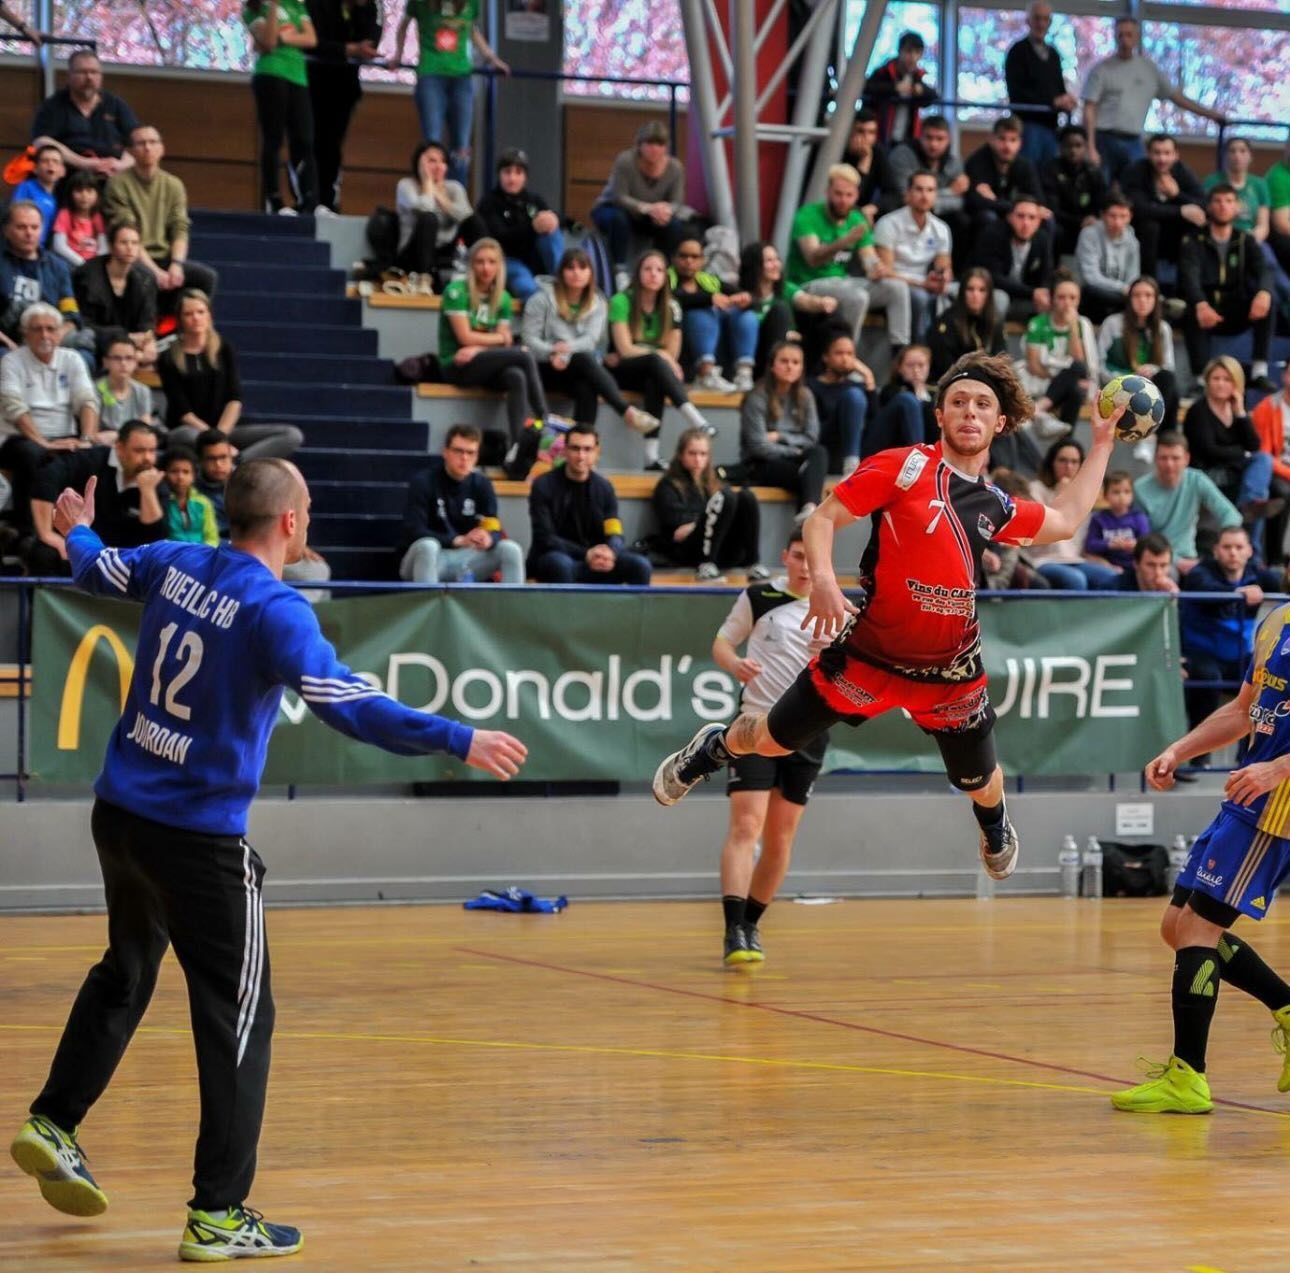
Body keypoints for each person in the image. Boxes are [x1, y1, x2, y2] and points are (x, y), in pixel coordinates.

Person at [7, 457, 526, 1260]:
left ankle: (53, 1121)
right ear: (289, 520)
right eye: (306, 505)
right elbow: (345, 703)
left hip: (121, 817)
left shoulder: (176, 561)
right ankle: (218, 1211)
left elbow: (96, 566)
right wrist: (457, 736)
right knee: (240, 1017)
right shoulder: (274, 608)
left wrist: (76, 527)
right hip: (198, 840)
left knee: (126, 970)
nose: (309, 516)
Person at [653, 351, 1123, 890]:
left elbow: (1064, 520)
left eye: (982, 405)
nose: (969, 412)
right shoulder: (905, 467)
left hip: (950, 675)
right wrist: (824, 581)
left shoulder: (994, 503)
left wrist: (1102, 443)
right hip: (868, 657)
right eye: (958, 402)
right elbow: (823, 519)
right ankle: (713, 748)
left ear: (1000, 422)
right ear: (940, 415)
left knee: (978, 781)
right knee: (771, 742)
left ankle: (994, 823)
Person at [1111, 600, 1290, 1116]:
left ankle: (1187, 1077)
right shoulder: (1276, 621)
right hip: (1246, 799)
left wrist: (1278, 768)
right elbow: (1242, 709)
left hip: (1276, 810)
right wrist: (1179, 750)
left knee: (1197, 930)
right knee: (1177, 926)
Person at [711, 529, 824, 963]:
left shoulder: (834, 606)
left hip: (808, 732)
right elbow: (722, 642)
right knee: (746, 825)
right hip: (754, 727)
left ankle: (751, 924)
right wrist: (734, 662)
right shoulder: (760, 597)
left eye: (812, 558)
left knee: (780, 837)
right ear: (786, 556)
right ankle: (732, 931)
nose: (805, 567)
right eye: (798, 556)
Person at [438, 238, 550, 480]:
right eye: (479, 262)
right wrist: (491, 341)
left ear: (500, 266)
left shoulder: (503, 298)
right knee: (523, 355)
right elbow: (465, 337)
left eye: (491, 262)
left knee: (516, 376)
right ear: (471, 265)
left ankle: (517, 449)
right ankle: (544, 417)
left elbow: (501, 341)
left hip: (482, 361)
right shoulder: (456, 291)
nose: (486, 268)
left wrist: (478, 348)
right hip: (456, 365)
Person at [521, 247, 656, 435]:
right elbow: (529, 340)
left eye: (582, 268)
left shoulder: (597, 302)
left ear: (591, 273)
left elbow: (591, 340)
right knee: (583, 359)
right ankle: (625, 410)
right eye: (571, 268)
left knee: (587, 385)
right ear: (561, 272)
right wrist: (552, 351)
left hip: (574, 367)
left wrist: (565, 352)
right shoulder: (541, 300)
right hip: (543, 367)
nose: (577, 273)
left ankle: (581, 442)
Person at [159, 290, 303, 460]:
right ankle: (220, 457)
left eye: (200, 312)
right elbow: (182, 411)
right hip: (193, 430)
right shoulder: (169, 357)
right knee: (185, 436)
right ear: (180, 319)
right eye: (188, 314)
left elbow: (234, 398)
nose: (196, 318)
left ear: (209, 315)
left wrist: (221, 436)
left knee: (291, 435)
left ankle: (236, 462)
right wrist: (214, 439)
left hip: (225, 429)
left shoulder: (223, 349)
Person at [1082, 16, 1225, 182]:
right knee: (1101, 183)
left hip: (1134, 139)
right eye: (1120, 35)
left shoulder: (1149, 69)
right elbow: (1089, 108)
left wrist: (1211, 115)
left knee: (1139, 183)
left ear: (1137, 37)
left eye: (1129, 35)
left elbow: (1177, 97)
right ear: (1114, 36)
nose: (1124, 40)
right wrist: (1090, 146)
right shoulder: (1101, 70)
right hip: (1104, 138)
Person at [606, 249, 712, 472]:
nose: (653, 274)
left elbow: (672, 352)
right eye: (648, 269)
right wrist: (660, 355)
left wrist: (664, 357)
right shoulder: (621, 301)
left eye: (659, 270)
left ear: (666, 276)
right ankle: (694, 417)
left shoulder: (672, 305)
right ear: (638, 273)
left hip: (653, 371)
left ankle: (650, 457)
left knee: (656, 380)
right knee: (656, 362)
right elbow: (625, 349)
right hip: (621, 369)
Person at [26, 419, 164, 574]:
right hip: (80, 542)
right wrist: (46, 533)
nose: (148, 458)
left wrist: (148, 492)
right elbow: (47, 478)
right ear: (119, 448)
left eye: (152, 451)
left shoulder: (154, 478)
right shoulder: (90, 460)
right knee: (44, 554)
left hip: (122, 554)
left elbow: (155, 538)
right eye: (139, 451)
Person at [1180, 524, 1282, 734]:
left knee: (1270, 679)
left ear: (1249, 550)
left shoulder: (1258, 574)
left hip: (1239, 656)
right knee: (1209, 680)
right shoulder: (1200, 573)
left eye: (1239, 547)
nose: (1233, 553)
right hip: (1201, 654)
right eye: (1227, 547)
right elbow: (1205, 589)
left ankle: (1250, 748)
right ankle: (1201, 748)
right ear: (1216, 550)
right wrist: (1237, 593)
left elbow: (1281, 584)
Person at [103, 125, 219, 310]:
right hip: (131, 257)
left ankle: (186, 324)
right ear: (131, 151)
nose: (148, 148)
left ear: (162, 148)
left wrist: (177, 264)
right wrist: (155, 272)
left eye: (153, 142)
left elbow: (179, 227)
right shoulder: (117, 184)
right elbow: (126, 231)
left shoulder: (174, 184)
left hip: (165, 256)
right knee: (145, 277)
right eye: (141, 143)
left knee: (206, 277)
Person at [396, 0, 508, 188]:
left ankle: (456, 194)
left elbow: (472, 30)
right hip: (431, 74)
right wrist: (398, 55)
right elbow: (403, 26)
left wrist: (491, 58)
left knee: (461, 144)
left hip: (461, 77)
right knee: (432, 142)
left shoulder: (471, 3)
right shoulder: (420, 3)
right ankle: (431, 193)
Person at [397, 423, 524, 584]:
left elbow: (495, 528)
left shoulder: (483, 485)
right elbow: (414, 531)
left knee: (511, 549)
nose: (464, 458)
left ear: (477, 457)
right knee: (428, 546)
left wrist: (489, 538)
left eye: (470, 453)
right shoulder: (424, 482)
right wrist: (457, 540)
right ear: (445, 452)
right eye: (458, 451)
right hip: (429, 559)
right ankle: (429, 600)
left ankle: (512, 601)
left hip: (467, 558)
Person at [527, 424, 651, 584]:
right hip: (558, 556)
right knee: (559, 564)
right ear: (565, 451)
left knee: (640, 565)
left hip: (597, 559)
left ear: (597, 452)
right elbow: (545, 538)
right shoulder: (543, 485)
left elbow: (614, 530)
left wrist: (611, 551)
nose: (581, 456)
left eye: (587, 449)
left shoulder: (605, 487)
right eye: (575, 449)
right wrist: (586, 554)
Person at [1180, 184, 1274, 390]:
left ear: (1237, 207)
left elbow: (1264, 270)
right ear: (1209, 206)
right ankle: (1199, 379)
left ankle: (1259, 371)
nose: (1223, 206)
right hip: (1207, 309)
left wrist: (1264, 292)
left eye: (1229, 201)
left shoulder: (1245, 240)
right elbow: (1189, 276)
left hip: (1237, 309)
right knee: (1191, 307)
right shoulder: (1194, 240)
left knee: (1268, 300)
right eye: (1218, 201)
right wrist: (1201, 303)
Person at [1183, 357, 1280, 557]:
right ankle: (1252, 549)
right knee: (1258, 494)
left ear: (1236, 383)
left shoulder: (1236, 409)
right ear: (1207, 381)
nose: (1220, 384)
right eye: (1216, 378)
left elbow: (1254, 445)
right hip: (1208, 475)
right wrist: (1241, 453)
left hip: (1233, 472)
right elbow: (1209, 450)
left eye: (1227, 379)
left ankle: (1249, 506)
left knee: (1263, 460)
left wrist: (1241, 414)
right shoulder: (1198, 411)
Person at [786, 164, 882, 348]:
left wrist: (876, 268)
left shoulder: (856, 219)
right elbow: (813, 258)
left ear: (856, 195)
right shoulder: (807, 215)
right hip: (809, 283)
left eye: (849, 195)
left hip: (842, 281)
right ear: (828, 192)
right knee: (858, 297)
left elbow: (869, 259)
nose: (843, 200)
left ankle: (900, 349)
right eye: (838, 194)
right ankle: (846, 352)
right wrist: (845, 241)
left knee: (895, 289)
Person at [649, 427, 763, 582]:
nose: (698, 459)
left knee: (746, 496)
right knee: (726, 498)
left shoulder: (715, 483)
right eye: (692, 453)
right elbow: (678, 531)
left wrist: (710, 519)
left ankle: (753, 564)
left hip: (722, 549)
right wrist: (710, 519)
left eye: (703, 454)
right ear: (681, 454)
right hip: (690, 552)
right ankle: (706, 565)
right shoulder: (668, 485)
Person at [305, 0, 382, 212]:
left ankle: (327, 201)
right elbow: (312, 41)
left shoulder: (369, 6)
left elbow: (369, 44)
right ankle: (308, 198)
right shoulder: (318, 5)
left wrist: (360, 10)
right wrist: (349, 49)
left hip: (345, 87)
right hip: (314, 83)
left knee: (332, 146)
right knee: (310, 143)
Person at [244, 0, 319, 215]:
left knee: (304, 139)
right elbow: (268, 42)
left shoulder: (297, 6)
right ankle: (274, 199)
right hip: (270, 74)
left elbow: (311, 39)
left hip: (298, 77)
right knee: (274, 139)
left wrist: (284, 37)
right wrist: (274, 8)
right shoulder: (254, 8)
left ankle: (309, 201)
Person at [591, 121, 697, 271]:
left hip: (654, 216)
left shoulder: (675, 167)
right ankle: (618, 269)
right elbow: (619, 196)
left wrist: (665, 210)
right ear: (639, 144)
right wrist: (646, 208)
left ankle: (663, 268)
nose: (654, 149)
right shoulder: (626, 161)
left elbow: (677, 202)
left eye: (660, 144)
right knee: (618, 219)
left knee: (675, 225)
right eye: (649, 143)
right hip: (616, 209)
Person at [1133, 430, 1242, 575]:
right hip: (1157, 561)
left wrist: (1224, 546)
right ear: (1155, 459)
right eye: (1164, 458)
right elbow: (1143, 538)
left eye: (1175, 458)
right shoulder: (1140, 489)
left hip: (1190, 556)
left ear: (1186, 459)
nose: (1169, 464)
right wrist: (1176, 561)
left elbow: (1231, 515)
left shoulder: (1196, 480)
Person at [739, 341, 827, 517]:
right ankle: (810, 516)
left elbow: (811, 438)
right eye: (784, 361)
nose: (790, 367)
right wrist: (796, 450)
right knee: (808, 477)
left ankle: (809, 510)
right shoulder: (757, 397)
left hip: (794, 458)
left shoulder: (806, 396)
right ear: (772, 365)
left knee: (819, 452)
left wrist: (780, 436)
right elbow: (759, 447)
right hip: (761, 464)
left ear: (801, 368)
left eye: (795, 362)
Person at [736, 240, 839, 384]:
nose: (776, 265)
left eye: (777, 259)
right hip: (758, 355)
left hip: (789, 352)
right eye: (769, 261)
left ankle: (825, 377)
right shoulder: (741, 295)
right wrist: (783, 332)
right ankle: (770, 380)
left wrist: (822, 303)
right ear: (755, 265)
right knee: (780, 311)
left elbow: (804, 300)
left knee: (829, 319)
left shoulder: (785, 289)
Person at [0, 201, 90, 362]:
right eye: (21, 227)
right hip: (7, 340)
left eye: (34, 227)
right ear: (6, 231)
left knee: (85, 355)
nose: (29, 233)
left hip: (50, 338)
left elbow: (71, 315)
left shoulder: (58, 267)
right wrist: (10, 345)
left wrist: (53, 341)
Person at [872, 169, 953, 346]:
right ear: (907, 194)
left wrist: (942, 278)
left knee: (959, 294)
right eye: (919, 189)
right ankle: (917, 350)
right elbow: (885, 272)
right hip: (896, 285)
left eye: (930, 190)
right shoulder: (888, 224)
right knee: (920, 298)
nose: (925, 196)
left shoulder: (941, 228)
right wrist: (922, 284)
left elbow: (944, 266)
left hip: (924, 283)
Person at [1024, 438, 1118, 589]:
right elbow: (1043, 531)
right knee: (1076, 579)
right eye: (1062, 460)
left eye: (1074, 462)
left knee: (1111, 576)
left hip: (1075, 559)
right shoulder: (1035, 489)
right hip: (1042, 559)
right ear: (1052, 463)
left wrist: (1100, 560)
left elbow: (1081, 543)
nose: (1068, 466)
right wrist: (1061, 495)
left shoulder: (1083, 496)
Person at [29, 49, 139, 178]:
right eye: (82, 72)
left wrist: (120, 165)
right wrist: (83, 163)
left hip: (114, 177)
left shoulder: (115, 105)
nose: (89, 77)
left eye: (94, 72)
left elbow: (139, 140)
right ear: (69, 76)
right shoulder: (53, 106)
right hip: (67, 178)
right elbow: (40, 141)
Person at [1016, 270, 1097, 440]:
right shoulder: (1038, 323)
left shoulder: (1082, 324)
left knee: (1077, 382)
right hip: (1041, 380)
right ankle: (1064, 438)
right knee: (1074, 384)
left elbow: (1081, 364)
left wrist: (1073, 326)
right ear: (1052, 299)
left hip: (1068, 383)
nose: (1067, 303)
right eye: (1061, 297)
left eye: (1072, 298)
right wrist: (1060, 379)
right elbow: (1034, 365)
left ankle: (1041, 411)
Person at [475, 147, 563, 304]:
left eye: (518, 172)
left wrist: (554, 218)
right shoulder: (489, 202)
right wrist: (532, 227)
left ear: (525, 177)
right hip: (508, 259)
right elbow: (499, 238)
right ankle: (544, 310)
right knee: (528, 289)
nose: (512, 178)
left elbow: (561, 219)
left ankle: (562, 279)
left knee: (551, 228)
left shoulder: (534, 200)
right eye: (507, 172)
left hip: (537, 260)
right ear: (499, 175)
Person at [1120, 134, 1206, 289]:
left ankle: (1186, 289)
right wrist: (1180, 211)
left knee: (1194, 227)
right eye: (1157, 153)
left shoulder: (1183, 171)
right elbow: (1139, 208)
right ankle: (1149, 287)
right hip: (1142, 233)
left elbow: (1203, 204)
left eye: (1167, 153)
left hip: (1173, 232)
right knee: (1150, 226)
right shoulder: (1136, 170)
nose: (1162, 159)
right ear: (1148, 153)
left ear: (1176, 155)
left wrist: (1177, 195)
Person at [1097, 275, 1178, 433]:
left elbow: (1169, 367)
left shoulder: (1163, 328)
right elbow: (1099, 364)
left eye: (1148, 295)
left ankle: (1159, 437)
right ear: (1129, 299)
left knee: (1168, 381)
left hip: (1150, 389)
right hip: (1118, 388)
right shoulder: (1112, 324)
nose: (1142, 300)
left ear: (1156, 300)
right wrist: (1131, 379)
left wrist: (1151, 370)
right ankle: (1152, 434)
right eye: (1137, 295)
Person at [394, 140, 479, 291]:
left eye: (443, 161)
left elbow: (466, 216)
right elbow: (424, 208)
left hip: (445, 251)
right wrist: (428, 184)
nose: (439, 166)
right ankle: (424, 281)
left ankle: (489, 275)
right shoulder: (406, 186)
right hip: (412, 253)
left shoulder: (454, 188)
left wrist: (440, 197)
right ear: (419, 164)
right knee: (429, 218)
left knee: (475, 221)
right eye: (432, 161)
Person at [73, 222, 160, 367]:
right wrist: (124, 337)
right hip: (94, 345)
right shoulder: (87, 275)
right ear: (111, 246)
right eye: (123, 242)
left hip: (133, 348)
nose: (130, 248)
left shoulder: (146, 278)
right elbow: (84, 324)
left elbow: (147, 321)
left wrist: (148, 341)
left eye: (135, 243)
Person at [887, 115, 971, 261]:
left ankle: (953, 270)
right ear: (920, 137)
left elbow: (960, 201)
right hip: (903, 209)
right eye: (929, 138)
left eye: (940, 139)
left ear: (949, 140)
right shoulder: (902, 155)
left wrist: (931, 200)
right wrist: (949, 192)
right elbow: (907, 196)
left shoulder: (953, 162)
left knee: (962, 220)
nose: (933, 144)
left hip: (939, 214)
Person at [1005, 1, 1077, 167]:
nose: (1041, 24)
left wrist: (1066, 100)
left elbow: (1058, 88)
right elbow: (1016, 93)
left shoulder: (1053, 54)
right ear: (1028, 21)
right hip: (1028, 126)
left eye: (1046, 19)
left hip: (1051, 128)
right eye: (1037, 18)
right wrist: (1052, 101)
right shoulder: (1017, 52)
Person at [669, 238, 744, 392]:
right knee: (700, 314)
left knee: (744, 316)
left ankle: (744, 373)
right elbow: (674, 298)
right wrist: (709, 299)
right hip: (679, 341)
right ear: (673, 258)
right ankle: (706, 373)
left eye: (694, 256)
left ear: (703, 260)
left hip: (714, 341)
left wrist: (743, 299)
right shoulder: (666, 278)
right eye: (683, 256)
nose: (689, 261)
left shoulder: (708, 280)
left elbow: (744, 296)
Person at [972, 196, 1053, 323]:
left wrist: (1043, 293)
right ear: (1010, 217)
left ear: (1038, 222)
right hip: (992, 290)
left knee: (1053, 299)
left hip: (1024, 295)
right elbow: (993, 277)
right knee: (1001, 299)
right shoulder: (993, 234)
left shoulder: (1042, 239)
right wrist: (1032, 292)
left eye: (1032, 218)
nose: (1026, 223)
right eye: (1020, 216)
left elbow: (1046, 274)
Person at [963, 115, 1044, 240]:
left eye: (1013, 140)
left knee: (1046, 219)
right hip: (986, 214)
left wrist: (997, 201)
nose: (1007, 146)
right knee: (987, 217)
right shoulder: (977, 162)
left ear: (1020, 143)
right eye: (1002, 139)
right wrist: (1014, 206)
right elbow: (975, 201)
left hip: (1016, 213)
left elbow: (1037, 198)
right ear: (991, 139)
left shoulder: (1025, 165)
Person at [807, 330, 874, 477]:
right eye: (839, 353)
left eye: (850, 354)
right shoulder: (811, 385)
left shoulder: (858, 386)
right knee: (853, 396)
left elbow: (873, 423)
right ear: (825, 357)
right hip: (825, 447)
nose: (845, 359)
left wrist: (868, 377)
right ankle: (851, 466)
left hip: (858, 448)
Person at [1041, 125, 1107, 259]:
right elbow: (1052, 208)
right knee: (1051, 226)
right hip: (1062, 222)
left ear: (1086, 147)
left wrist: (1093, 217)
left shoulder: (1094, 172)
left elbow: (1101, 203)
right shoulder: (1050, 170)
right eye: (1068, 146)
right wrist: (1079, 221)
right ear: (1060, 147)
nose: (1073, 150)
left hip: (1088, 223)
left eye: (1078, 146)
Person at [928, 266, 1005, 381]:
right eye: (970, 289)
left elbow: (1001, 359)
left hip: (986, 383)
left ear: (989, 295)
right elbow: (946, 367)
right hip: (953, 382)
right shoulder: (947, 322)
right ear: (962, 292)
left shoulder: (995, 321)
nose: (975, 295)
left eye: (982, 290)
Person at [862, 30, 938, 146]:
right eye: (909, 51)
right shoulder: (883, 72)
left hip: (907, 139)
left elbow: (933, 96)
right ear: (900, 51)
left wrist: (920, 91)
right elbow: (866, 88)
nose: (913, 57)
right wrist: (894, 88)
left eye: (917, 52)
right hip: (880, 137)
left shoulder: (918, 76)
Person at [1249, 359, 1290, 566]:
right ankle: (1275, 561)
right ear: (1284, 375)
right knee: (1281, 492)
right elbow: (1263, 455)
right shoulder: (1266, 407)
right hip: (1276, 471)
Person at [1074, 196, 1138, 324]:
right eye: (1112, 216)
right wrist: (1122, 288)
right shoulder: (1089, 234)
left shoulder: (1132, 240)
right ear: (1102, 215)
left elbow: (1133, 275)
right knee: (1093, 292)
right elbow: (1091, 278)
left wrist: (1130, 290)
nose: (1118, 222)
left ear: (1130, 217)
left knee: (1139, 296)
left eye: (1123, 216)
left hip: (1121, 293)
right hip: (1093, 291)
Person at [867, 343, 938, 458]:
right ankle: (918, 459)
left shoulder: (935, 393)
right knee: (908, 401)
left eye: (921, 365)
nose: (916, 370)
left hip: (929, 445)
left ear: (929, 366)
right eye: (910, 365)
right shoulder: (891, 391)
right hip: (892, 446)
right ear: (900, 368)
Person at [1085, 469, 1151, 576]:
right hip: (1106, 566)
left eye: (1127, 492)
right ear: (1105, 496)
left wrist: (1135, 545)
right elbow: (1090, 545)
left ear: (1132, 495)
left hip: (1133, 566)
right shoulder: (1098, 519)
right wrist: (1109, 544)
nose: (1122, 497)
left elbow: (1147, 544)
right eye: (1116, 492)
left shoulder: (1139, 518)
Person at [843, 109, 899, 224]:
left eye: (871, 132)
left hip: (861, 214)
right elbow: (847, 196)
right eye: (860, 131)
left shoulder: (876, 152)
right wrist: (864, 163)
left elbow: (894, 194)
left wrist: (875, 207)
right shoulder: (837, 150)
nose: (866, 138)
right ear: (849, 131)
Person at [160, 444, 219, 546]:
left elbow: (212, 538)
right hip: (171, 553)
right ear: (164, 474)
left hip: (201, 552)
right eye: (174, 471)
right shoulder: (160, 502)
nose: (180, 477)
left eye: (186, 472)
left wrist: (203, 552)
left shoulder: (203, 503)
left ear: (194, 476)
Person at [49, 170, 108, 270]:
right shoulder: (65, 214)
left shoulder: (98, 217)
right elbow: (58, 246)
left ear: (97, 194)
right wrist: (83, 264)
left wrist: (95, 265)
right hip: (69, 266)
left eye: (89, 191)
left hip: (93, 267)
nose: (84, 196)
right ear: (70, 194)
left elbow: (104, 247)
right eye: (79, 191)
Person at [95, 337, 154, 434]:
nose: (123, 363)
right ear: (106, 362)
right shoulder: (95, 390)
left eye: (129, 358)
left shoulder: (143, 391)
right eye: (117, 358)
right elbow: (92, 432)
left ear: (135, 362)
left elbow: (145, 429)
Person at [10, 144, 64, 246]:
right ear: (35, 168)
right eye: (45, 161)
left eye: (55, 161)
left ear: (63, 171)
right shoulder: (26, 187)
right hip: (23, 246)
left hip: (46, 249)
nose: (50, 164)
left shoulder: (61, 196)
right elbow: (16, 215)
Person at [195, 429, 233, 539]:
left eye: (223, 457)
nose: (218, 464)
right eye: (211, 459)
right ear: (200, 461)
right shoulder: (191, 490)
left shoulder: (246, 481)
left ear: (231, 456)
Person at [1112, 530, 1178, 593]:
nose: (1158, 573)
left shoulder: (1171, 590)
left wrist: (1173, 599)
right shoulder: (1115, 589)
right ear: (1136, 564)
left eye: (1163, 565)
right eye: (1151, 565)